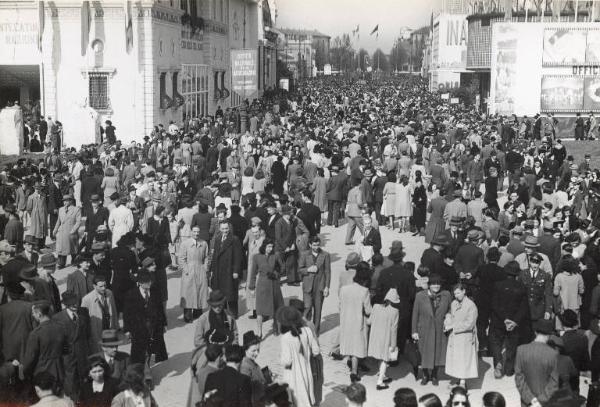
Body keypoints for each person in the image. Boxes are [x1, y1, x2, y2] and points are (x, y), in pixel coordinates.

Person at [489, 261, 529, 379]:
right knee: (512, 345)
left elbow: (495, 304)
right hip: (514, 323)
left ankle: (498, 362)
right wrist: (514, 321)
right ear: (517, 274)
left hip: (499, 321)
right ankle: (509, 369)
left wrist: (504, 319)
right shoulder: (521, 287)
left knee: (496, 342)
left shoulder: (497, 285)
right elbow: (524, 307)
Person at [411, 274, 452, 385]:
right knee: (424, 352)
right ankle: (425, 375)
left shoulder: (446, 295)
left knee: (438, 352)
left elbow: (450, 309)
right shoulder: (420, 295)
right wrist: (414, 331)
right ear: (429, 285)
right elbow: (415, 313)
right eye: (433, 284)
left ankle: (434, 375)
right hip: (424, 329)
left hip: (439, 329)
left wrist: (448, 316)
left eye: (438, 284)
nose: (436, 286)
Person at [277, 306, 320, 407]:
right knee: (307, 400)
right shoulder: (307, 331)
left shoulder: (285, 338)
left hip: (293, 376)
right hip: (307, 372)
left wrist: (279, 357)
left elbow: (287, 361)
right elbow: (316, 351)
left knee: (297, 401)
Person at [52, 291, 91, 400]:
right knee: (71, 381)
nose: (75, 305)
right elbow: (57, 340)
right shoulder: (57, 318)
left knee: (84, 378)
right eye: (71, 303)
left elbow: (88, 334)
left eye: (76, 302)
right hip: (68, 356)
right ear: (65, 304)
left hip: (82, 353)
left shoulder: (83, 313)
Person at [515, 319, 559, 407]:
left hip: (526, 402)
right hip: (545, 402)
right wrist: (540, 401)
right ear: (550, 335)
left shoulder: (521, 350)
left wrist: (531, 399)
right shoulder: (553, 354)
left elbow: (519, 378)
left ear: (535, 332)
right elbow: (554, 382)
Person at [339, 263, 372, 383]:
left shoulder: (344, 289)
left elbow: (340, 304)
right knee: (357, 347)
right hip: (358, 321)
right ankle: (354, 371)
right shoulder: (364, 291)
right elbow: (368, 310)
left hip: (346, 320)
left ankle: (351, 364)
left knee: (349, 344)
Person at [22, 301, 68, 386]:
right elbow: (67, 349)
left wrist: (24, 372)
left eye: (33, 313)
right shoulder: (61, 327)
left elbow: (30, 359)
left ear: (39, 314)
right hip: (60, 370)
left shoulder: (35, 333)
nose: (32, 315)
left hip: (43, 373)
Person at [445, 283, 479, 389]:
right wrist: (448, 320)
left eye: (458, 293)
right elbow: (450, 314)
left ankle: (463, 383)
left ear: (464, 291)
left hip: (465, 336)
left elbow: (470, 323)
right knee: (456, 359)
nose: (456, 295)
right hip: (455, 336)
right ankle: (458, 380)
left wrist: (453, 326)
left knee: (464, 359)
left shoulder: (471, 305)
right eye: (455, 294)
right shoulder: (454, 303)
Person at [249, 238, 284, 337]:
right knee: (260, 310)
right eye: (269, 246)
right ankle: (259, 332)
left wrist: (276, 274)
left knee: (276, 307)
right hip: (262, 286)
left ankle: (276, 327)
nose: (270, 248)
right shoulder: (257, 257)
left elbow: (282, 268)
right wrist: (251, 287)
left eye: (272, 247)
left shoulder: (275, 256)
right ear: (264, 246)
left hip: (274, 285)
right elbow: (252, 273)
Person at [298, 235, 331, 334]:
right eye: (314, 245)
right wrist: (308, 269)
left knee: (318, 309)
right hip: (307, 286)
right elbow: (299, 269)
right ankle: (306, 329)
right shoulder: (304, 255)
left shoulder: (325, 255)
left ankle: (316, 331)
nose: (316, 247)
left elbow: (327, 272)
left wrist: (327, 287)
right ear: (310, 245)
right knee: (307, 307)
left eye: (317, 245)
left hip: (319, 286)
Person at [368, 288, 399, 390]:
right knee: (385, 359)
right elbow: (394, 330)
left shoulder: (376, 306)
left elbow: (369, 321)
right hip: (386, 337)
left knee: (380, 356)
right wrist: (393, 344)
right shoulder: (395, 311)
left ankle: (382, 374)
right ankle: (380, 382)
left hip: (375, 336)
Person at [210, 220, 243, 317]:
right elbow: (215, 255)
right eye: (223, 229)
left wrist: (236, 271)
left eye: (226, 228)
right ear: (219, 229)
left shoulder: (234, 239)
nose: (225, 231)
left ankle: (233, 314)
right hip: (219, 270)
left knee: (231, 293)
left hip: (229, 270)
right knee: (220, 293)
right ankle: (222, 312)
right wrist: (212, 270)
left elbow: (238, 256)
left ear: (229, 228)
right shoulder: (217, 238)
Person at [178, 225, 209, 323]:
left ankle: (198, 313)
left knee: (200, 291)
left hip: (200, 269)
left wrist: (205, 267)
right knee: (188, 292)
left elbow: (207, 257)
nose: (196, 233)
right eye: (194, 231)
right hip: (189, 270)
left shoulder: (204, 243)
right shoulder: (185, 244)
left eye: (198, 232)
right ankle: (187, 315)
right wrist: (186, 269)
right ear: (191, 232)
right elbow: (181, 258)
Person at [81, 275, 118, 354]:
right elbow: (84, 321)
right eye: (101, 286)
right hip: (97, 332)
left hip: (110, 330)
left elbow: (114, 312)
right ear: (94, 286)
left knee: (113, 354)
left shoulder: (109, 293)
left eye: (105, 285)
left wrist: (116, 328)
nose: (103, 288)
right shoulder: (87, 299)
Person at [239, 331, 267, 406]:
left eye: (258, 350)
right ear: (245, 350)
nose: (257, 353)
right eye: (253, 350)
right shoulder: (245, 367)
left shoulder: (251, 362)